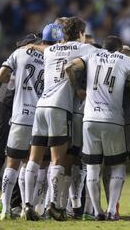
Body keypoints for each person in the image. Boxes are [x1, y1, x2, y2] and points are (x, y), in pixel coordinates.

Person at [24, 17, 97, 221]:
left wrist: (30, 45)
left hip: (41, 106)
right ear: (81, 33)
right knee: (58, 159)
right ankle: (54, 206)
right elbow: (105, 56)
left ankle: (28, 204)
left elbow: (39, 49)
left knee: (34, 158)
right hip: (59, 107)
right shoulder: (86, 49)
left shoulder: (50, 50)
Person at [0, 23, 63, 220]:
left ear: (42, 39)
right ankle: (28, 206)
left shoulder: (21, 52)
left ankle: (6, 208)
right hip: (41, 117)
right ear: (58, 42)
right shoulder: (56, 58)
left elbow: (0, 76)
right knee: (33, 163)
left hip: (20, 115)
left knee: (12, 163)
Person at [65, 35, 130, 221]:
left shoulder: (92, 55)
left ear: (103, 47)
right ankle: (112, 210)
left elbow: (69, 66)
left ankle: (97, 211)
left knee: (92, 168)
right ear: (119, 49)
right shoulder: (125, 59)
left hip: (90, 119)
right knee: (118, 166)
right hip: (113, 119)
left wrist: (79, 89)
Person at [0, 34, 41, 219]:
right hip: (8, 101)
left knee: (24, 155)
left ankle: (14, 204)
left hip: (25, 104)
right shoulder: (26, 51)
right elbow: (3, 74)